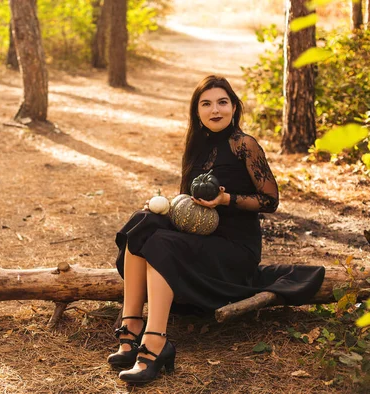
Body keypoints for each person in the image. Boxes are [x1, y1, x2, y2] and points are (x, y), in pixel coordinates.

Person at [107, 75, 325, 384]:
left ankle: (155, 343)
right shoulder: (196, 147)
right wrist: (162, 206)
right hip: (202, 238)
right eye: (206, 104)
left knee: (161, 245)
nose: (215, 110)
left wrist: (226, 199)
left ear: (234, 107)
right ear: (197, 111)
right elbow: (189, 203)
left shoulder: (244, 145)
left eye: (222, 102)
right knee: (143, 224)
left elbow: (270, 200)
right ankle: (130, 331)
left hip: (234, 250)